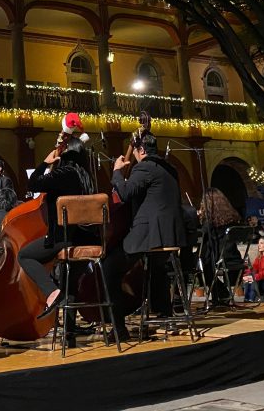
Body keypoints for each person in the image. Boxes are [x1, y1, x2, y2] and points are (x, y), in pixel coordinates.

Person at [106, 132, 187, 337]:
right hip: (170, 236)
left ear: (141, 150)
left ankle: (119, 329)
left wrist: (116, 173)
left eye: (135, 152)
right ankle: (165, 315)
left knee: (109, 268)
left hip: (151, 234)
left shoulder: (144, 167)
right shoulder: (170, 169)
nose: (134, 155)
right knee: (156, 268)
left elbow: (124, 193)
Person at [20, 135, 96, 321]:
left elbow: (33, 184)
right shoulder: (87, 177)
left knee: (25, 255)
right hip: (88, 239)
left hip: (65, 237)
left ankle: (52, 292)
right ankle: (69, 331)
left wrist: (45, 163)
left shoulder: (64, 174)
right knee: (68, 279)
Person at [198, 188, 243, 303]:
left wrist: (199, 218)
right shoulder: (231, 219)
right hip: (235, 258)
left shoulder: (210, 223)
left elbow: (201, 237)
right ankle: (221, 294)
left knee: (199, 265)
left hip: (220, 260)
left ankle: (221, 293)